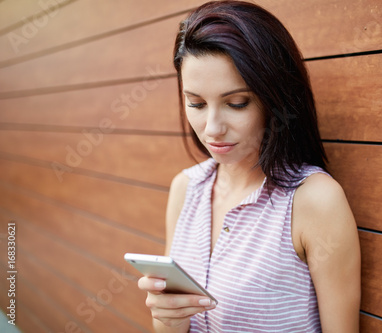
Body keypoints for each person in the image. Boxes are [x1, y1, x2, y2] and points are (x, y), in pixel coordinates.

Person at [138, 1, 361, 332]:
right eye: (196, 103)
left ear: (276, 99)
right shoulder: (186, 188)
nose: (212, 128)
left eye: (237, 103)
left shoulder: (313, 200)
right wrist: (167, 318)